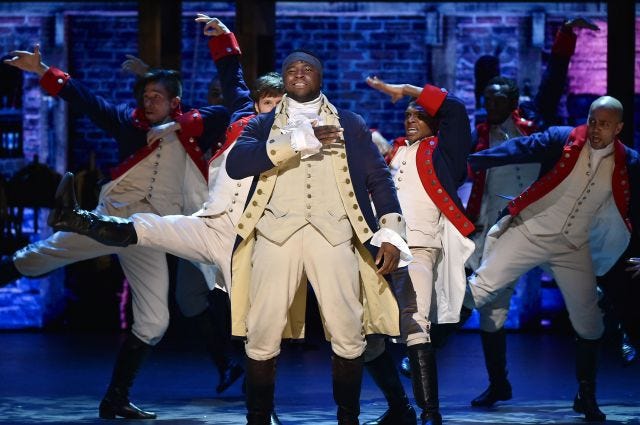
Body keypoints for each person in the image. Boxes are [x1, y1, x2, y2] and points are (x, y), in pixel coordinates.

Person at [0, 16, 242, 419]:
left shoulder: (194, 127)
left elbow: (229, 107)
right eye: (145, 95)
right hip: (110, 220)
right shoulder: (127, 125)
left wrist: (181, 113)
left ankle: (115, 398)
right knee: (39, 257)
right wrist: (44, 71)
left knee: (154, 321)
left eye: (157, 96)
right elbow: (84, 98)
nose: (148, 102)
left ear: (175, 102)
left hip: (148, 234)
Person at [222, 50, 411, 425]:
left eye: (307, 68)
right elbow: (236, 164)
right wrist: (296, 141)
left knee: (348, 327)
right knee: (261, 329)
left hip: (335, 234)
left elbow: (379, 179)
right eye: (291, 69)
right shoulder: (263, 124)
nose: (299, 73)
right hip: (277, 234)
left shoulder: (350, 123)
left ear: (321, 77)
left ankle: (348, 418)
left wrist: (390, 232)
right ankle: (257, 418)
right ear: (283, 78)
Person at [463, 96, 640, 422]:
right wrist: (477, 158)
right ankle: (425, 340)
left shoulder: (628, 161)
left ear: (619, 128)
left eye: (604, 123)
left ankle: (585, 396)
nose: (596, 129)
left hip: (573, 248)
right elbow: (522, 148)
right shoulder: (564, 139)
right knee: (481, 292)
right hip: (529, 231)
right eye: (592, 120)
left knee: (590, 322)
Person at [464, 17, 600, 408]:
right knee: (491, 308)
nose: (489, 105)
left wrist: (565, 38)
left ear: (512, 102)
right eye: (485, 99)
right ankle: (499, 382)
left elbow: (553, 81)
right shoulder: (478, 134)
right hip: (499, 227)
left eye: (497, 100)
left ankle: (586, 390)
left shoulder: (535, 125)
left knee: (581, 302)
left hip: (546, 223)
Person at [362, 77, 474, 425]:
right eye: (407, 114)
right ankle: (399, 407)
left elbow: (454, 108)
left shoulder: (444, 152)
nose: (410, 119)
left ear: (434, 122)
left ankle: (430, 414)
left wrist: (406, 90)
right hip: (379, 250)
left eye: (419, 115)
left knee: (415, 322)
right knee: (362, 332)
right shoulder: (393, 153)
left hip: (420, 248)